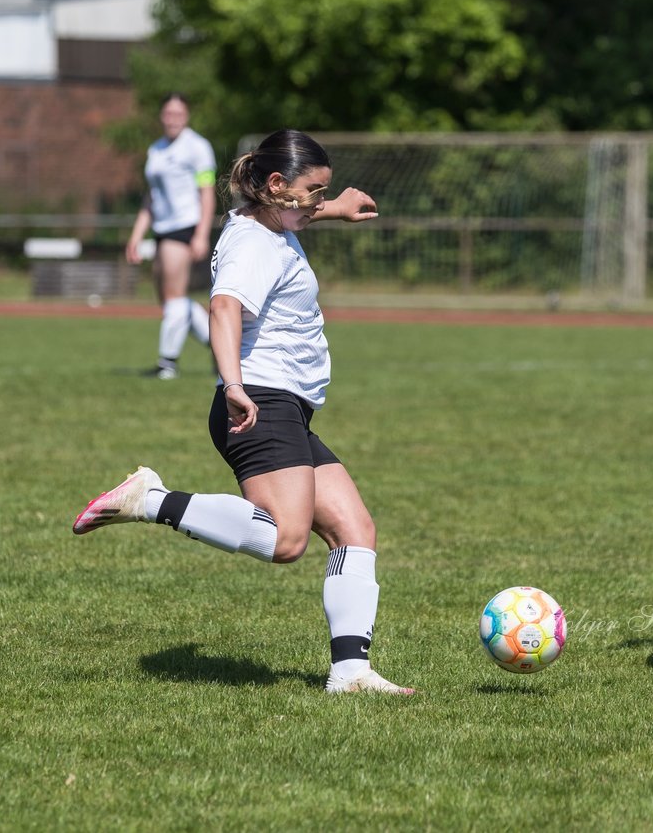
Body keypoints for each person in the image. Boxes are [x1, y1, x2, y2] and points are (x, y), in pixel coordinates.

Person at [75, 130, 413, 695]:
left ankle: (350, 674)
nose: (317, 201)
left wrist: (333, 208)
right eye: (314, 190)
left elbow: (294, 213)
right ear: (277, 186)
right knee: (286, 540)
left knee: (354, 529)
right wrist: (232, 384)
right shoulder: (252, 244)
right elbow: (224, 307)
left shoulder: (270, 221)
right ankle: (150, 500)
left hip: (285, 405)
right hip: (259, 400)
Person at [125, 93, 217, 379]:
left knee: (174, 296)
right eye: (168, 113)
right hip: (162, 229)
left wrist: (201, 233)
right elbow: (150, 199)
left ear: (186, 116)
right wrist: (136, 236)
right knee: (170, 301)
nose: (173, 118)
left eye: (178, 113)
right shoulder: (156, 150)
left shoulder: (198, 147)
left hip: (184, 226)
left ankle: (167, 364)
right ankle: (221, 347)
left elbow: (207, 192)